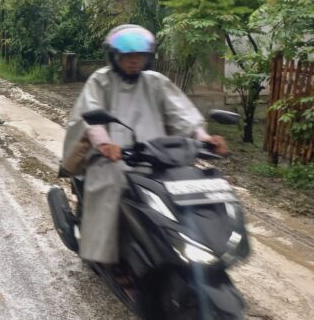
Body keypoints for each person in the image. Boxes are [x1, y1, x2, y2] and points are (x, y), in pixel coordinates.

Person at [63, 24, 228, 265]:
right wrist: (105, 144)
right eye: (128, 55)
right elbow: (91, 116)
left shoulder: (156, 82)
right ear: (115, 56)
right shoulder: (101, 80)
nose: (133, 61)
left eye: (139, 55)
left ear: (147, 57)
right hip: (112, 157)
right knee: (111, 183)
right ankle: (104, 254)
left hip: (157, 154)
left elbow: (181, 114)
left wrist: (204, 139)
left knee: (186, 185)